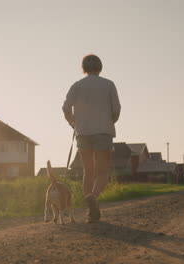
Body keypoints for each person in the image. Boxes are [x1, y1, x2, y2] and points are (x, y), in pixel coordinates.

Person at [62, 55, 121, 223]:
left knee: (88, 172)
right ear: (100, 67)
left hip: (83, 133)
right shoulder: (108, 84)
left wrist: (73, 122)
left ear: (83, 68)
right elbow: (116, 109)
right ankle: (94, 197)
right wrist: (110, 121)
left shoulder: (77, 85)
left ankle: (91, 212)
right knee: (102, 172)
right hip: (103, 131)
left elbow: (65, 107)